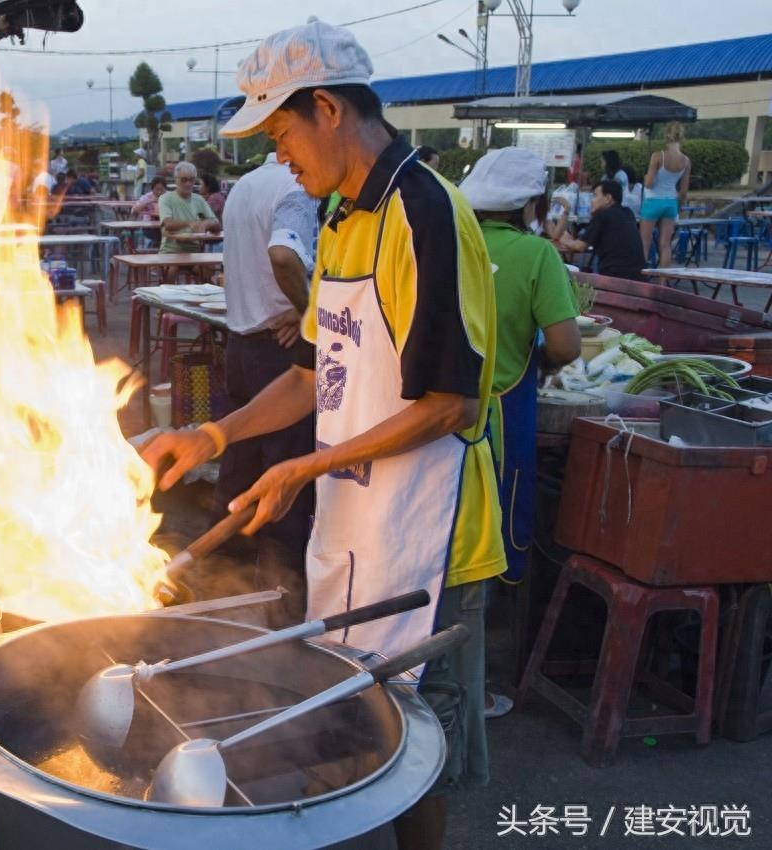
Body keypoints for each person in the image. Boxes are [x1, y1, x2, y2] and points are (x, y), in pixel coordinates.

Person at [142, 20, 504, 849]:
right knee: (341, 720)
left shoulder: (425, 212)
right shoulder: (339, 217)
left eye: (281, 134)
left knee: (418, 748)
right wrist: (212, 435)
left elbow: (451, 401)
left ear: (329, 108)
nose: (280, 158)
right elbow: (313, 374)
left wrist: (308, 465)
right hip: (353, 526)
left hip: (431, 537)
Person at [459, 148, 581, 719]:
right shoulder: (536, 254)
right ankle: (473, 690)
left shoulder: (449, 242)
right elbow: (565, 345)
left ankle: (421, 680)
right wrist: (537, 359)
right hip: (502, 421)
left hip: (437, 420)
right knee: (491, 548)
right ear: (531, 204)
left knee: (446, 543)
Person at [215, 151, 319, 622]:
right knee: (283, 490)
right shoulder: (294, 189)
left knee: (238, 479)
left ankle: (222, 602)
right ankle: (280, 617)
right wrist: (311, 309)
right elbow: (283, 253)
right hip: (280, 355)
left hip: (239, 345)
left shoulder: (245, 185)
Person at [559, 180, 646, 281]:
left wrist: (566, 241)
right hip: (639, 277)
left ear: (608, 198)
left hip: (615, 278)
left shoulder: (602, 215)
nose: (592, 200)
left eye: (595, 196)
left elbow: (580, 246)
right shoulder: (628, 213)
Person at [639, 122, 691, 265]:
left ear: (666, 136)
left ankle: (641, 281)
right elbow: (684, 191)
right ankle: (663, 281)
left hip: (653, 201)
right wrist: (679, 206)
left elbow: (649, 183)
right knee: (666, 245)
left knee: (644, 242)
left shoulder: (658, 156)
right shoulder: (686, 161)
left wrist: (646, 177)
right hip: (670, 203)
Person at [158, 161, 220, 253]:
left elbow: (217, 226)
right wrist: (190, 224)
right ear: (176, 179)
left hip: (195, 251)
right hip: (171, 250)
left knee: (212, 265)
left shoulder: (199, 199)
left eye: (191, 180)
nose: (188, 183)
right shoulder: (165, 198)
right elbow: (168, 224)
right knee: (174, 267)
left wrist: (206, 224)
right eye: (184, 180)